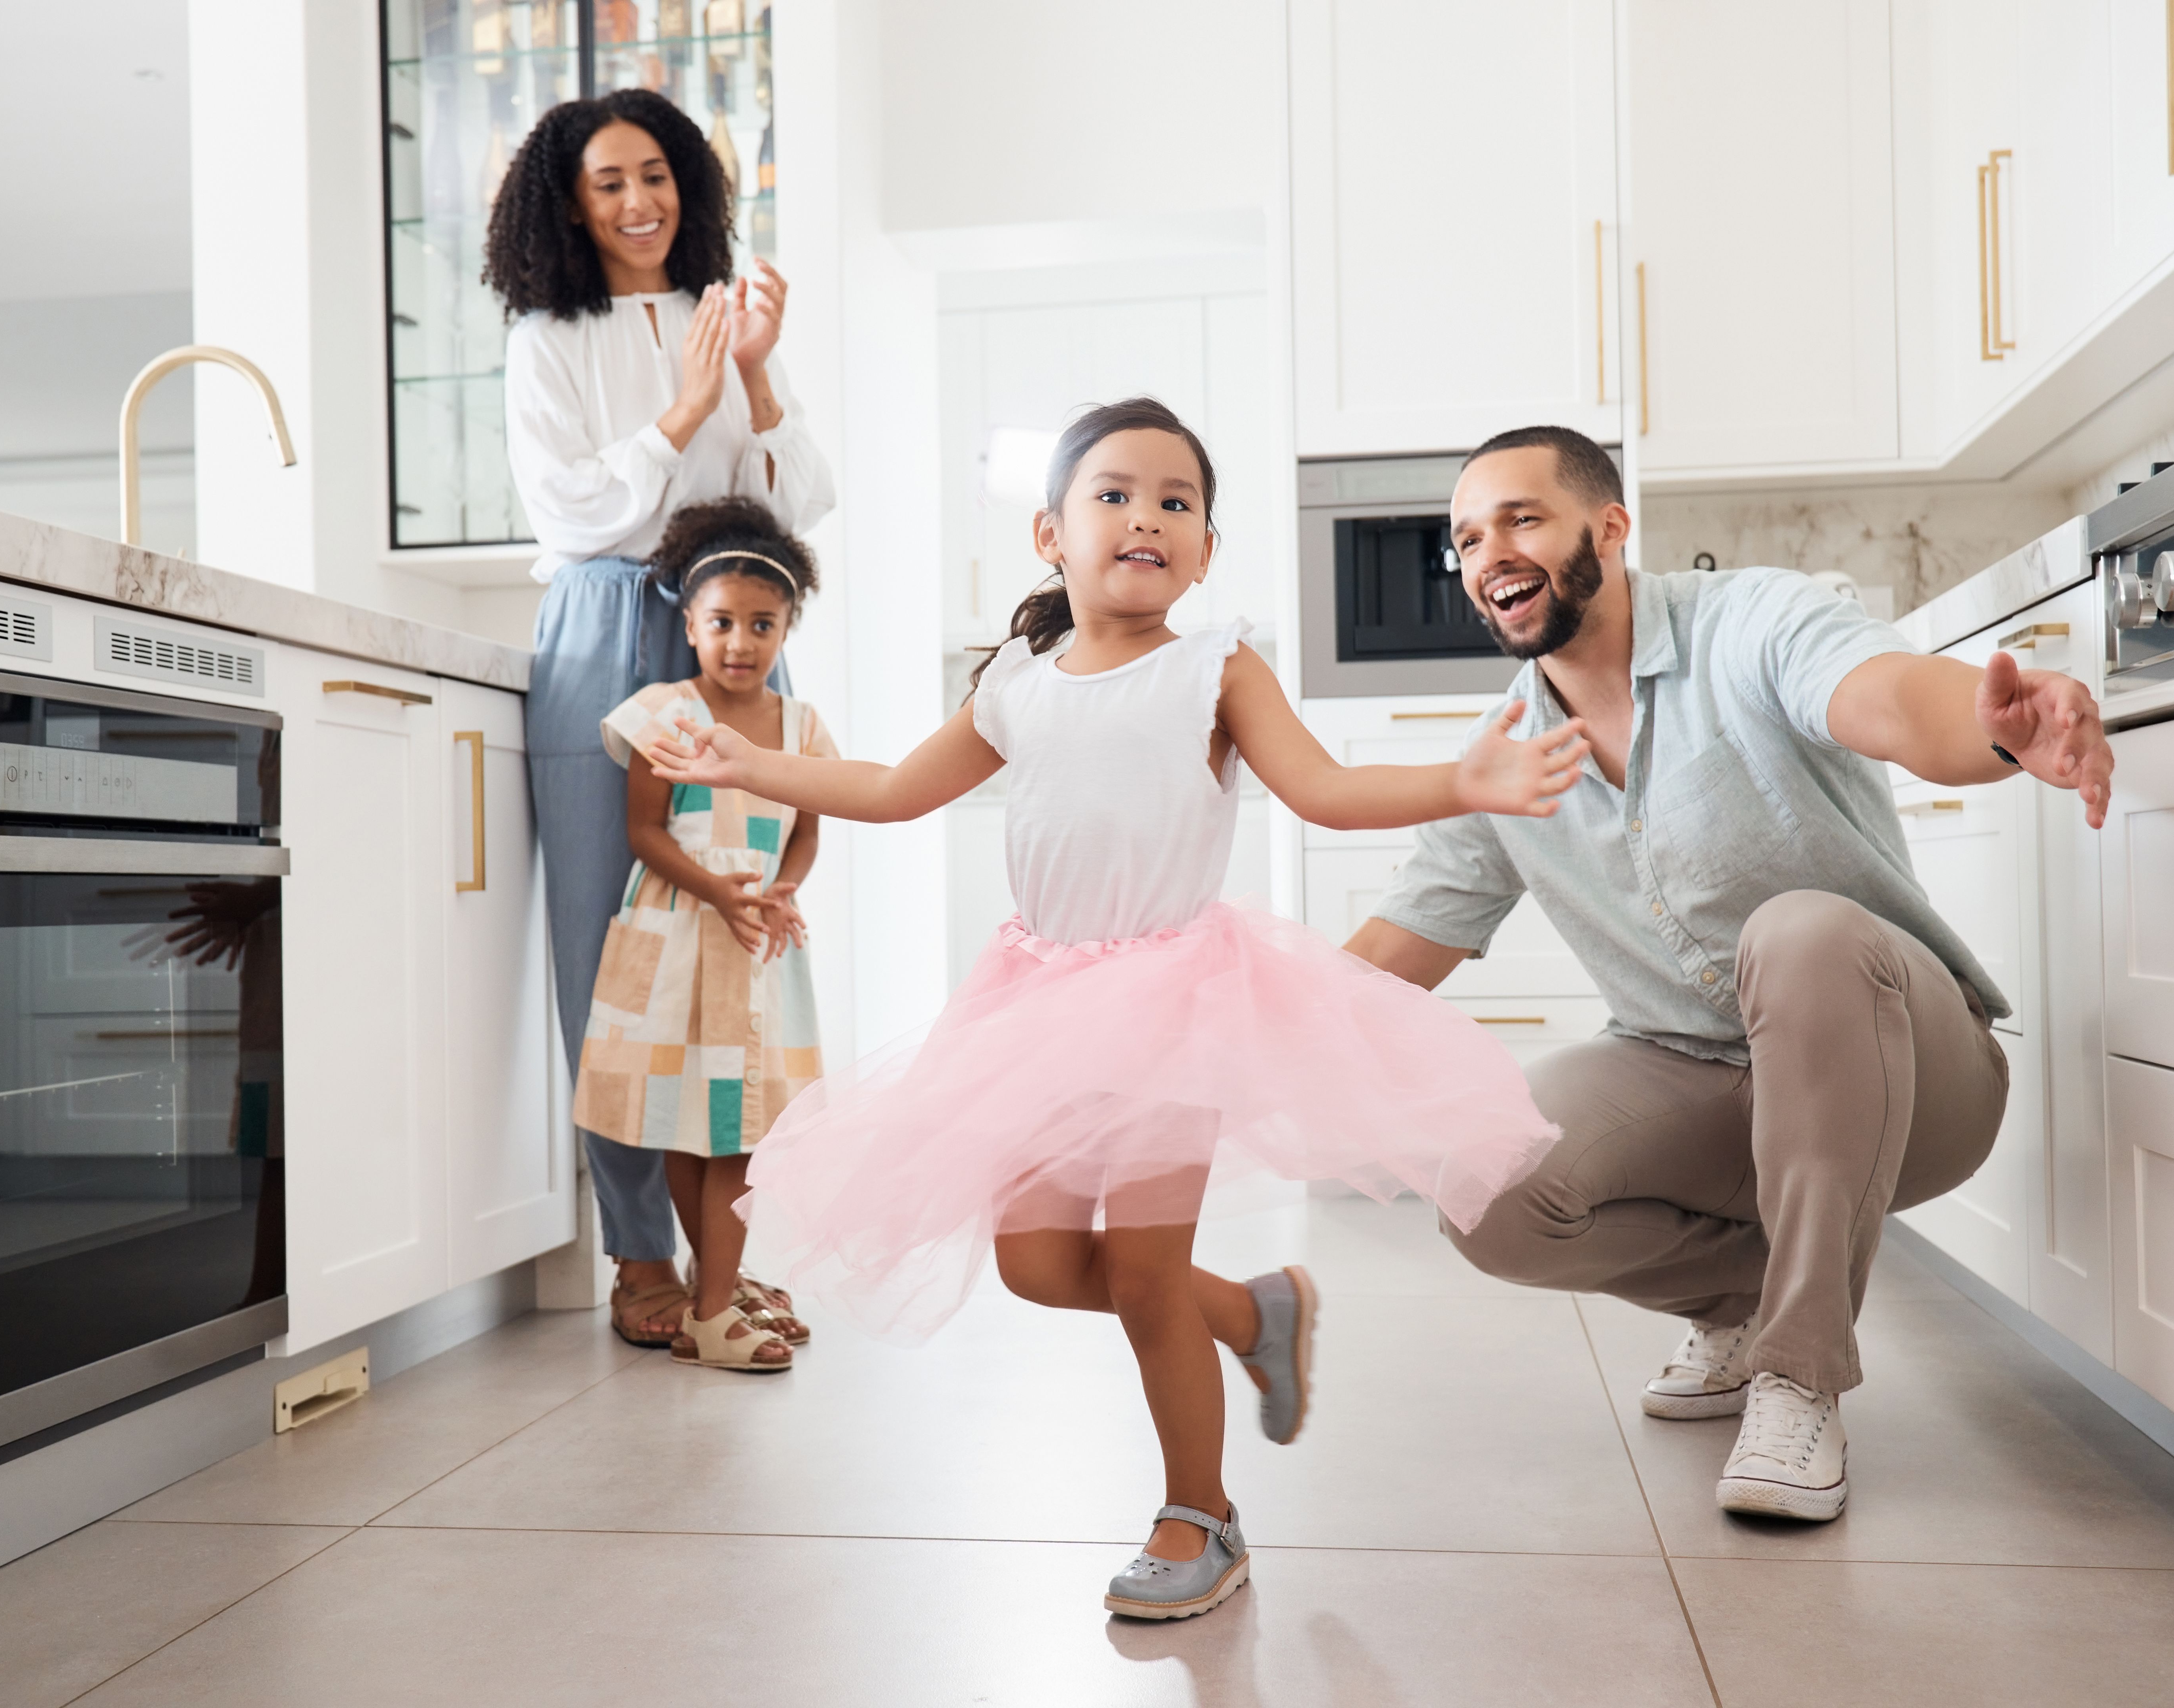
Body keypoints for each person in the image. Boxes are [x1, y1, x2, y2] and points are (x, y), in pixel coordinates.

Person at [646, 398, 1583, 1620]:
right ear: (1050, 534)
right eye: (1114, 494)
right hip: (1036, 1002)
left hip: (1173, 1003)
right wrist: (747, 765)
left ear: (1203, 551)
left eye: (1174, 502)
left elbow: (1323, 789)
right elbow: (888, 788)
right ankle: (1251, 1310)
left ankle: (1201, 1514)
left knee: (1144, 1275)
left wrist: (1461, 780)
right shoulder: (1016, 687)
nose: (1146, 516)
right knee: (1036, 1265)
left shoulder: (1215, 668)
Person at [1343, 425, 2114, 1524]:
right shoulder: (1503, 754)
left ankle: (1799, 1376)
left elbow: (1889, 697)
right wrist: (1218, 1028)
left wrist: (1992, 730)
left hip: (1907, 1071)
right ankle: (1743, 1303)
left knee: (1798, 932)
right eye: (1466, 539)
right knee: (1487, 1186)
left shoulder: (1749, 621)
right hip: (1696, 1079)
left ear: (1609, 529)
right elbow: (1386, 960)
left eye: (1521, 519)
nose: (1488, 555)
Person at [483, 87, 835, 1349]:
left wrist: (751, 374)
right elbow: (574, 512)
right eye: (608, 183)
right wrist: (682, 414)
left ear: (687, 184)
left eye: (655, 176)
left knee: (738, 936)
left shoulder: (719, 317)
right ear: (568, 206)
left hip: (727, 628)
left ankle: (719, 1265)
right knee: (611, 954)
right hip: (600, 627)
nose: (638, 202)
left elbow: (801, 503)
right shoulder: (546, 338)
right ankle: (639, 1258)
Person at [574, 498, 831, 1372]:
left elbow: (806, 828)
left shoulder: (802, 728)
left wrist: (782, 887)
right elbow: (645, 831)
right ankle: (714, 1307)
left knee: (739, 1123)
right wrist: (717, 891)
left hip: (754, 943)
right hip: (681, 938)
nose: (740, 642)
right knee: (693, 1123)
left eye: (762, 625)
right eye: (721, 622)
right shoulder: (664, 714)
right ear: (689, 625)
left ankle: (714, 1295)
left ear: (786, 630)